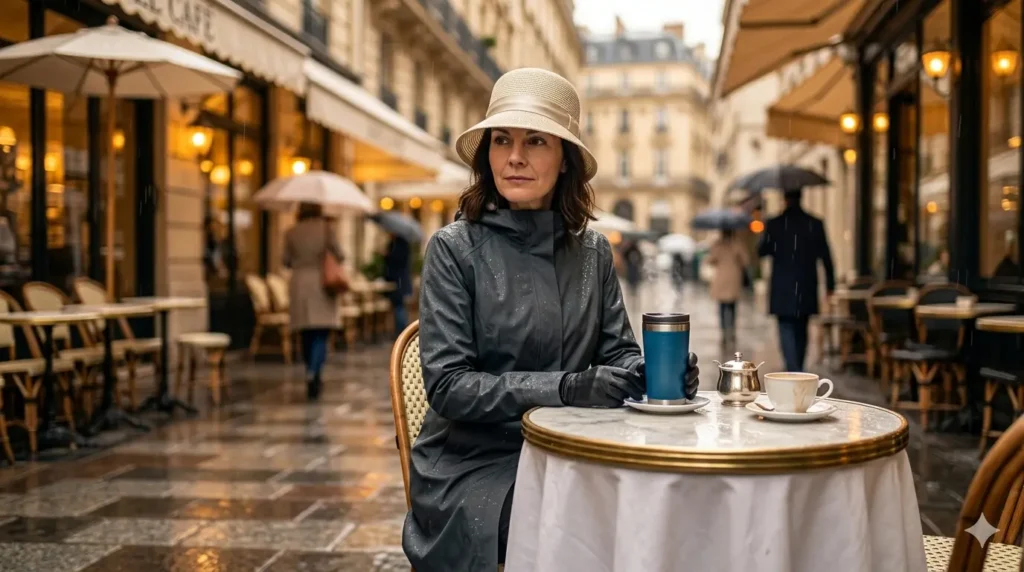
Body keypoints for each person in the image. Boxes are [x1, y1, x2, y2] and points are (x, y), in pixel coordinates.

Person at [402, 67, 701, 572]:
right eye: (502, 140)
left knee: (668, 505)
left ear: (565, 160)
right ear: (487, 154)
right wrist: (568, 387)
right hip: (477, 466)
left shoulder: (593, 252)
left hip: (578, 453)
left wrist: (653, 374)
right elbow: (450, 386)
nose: (514, 156)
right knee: (579, 523)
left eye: (535, 140)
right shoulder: (453, 249)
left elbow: (618, 351)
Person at [757, 189, 835, 372]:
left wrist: (766, 234)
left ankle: (793, 369)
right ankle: (797, 368)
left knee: (786, 329)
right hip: (806, 286)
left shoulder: (775, 224)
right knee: (802, 329)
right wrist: (830, 285)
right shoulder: (814, 223)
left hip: (782, 288)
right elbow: (826, 256)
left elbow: (761, 251)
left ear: (785, 199)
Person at [282, 202, 345, 400]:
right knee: (321, 332)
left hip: (299, 284)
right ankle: (314, 372)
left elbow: (285, 260)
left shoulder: (291, 232)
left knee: (305, 331)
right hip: (322, 283)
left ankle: (309, 368)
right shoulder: (327, 229)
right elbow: (341, 255)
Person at [707, 228, 749, 344]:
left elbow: (710, 260)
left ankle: (725, 332)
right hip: (733, 278)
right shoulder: (737, 244)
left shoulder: (718, 245)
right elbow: (746, 261)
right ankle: (731, 330)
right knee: (732, 307)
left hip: (721, 279)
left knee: (722, 307)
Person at [382, 233, 412, 335]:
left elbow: (399, 261)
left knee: (399, 306)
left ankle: (402, 331)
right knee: (397, 306)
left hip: (399, 282)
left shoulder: (401, 245)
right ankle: (398, 330)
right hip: (393, 281)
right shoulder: (392, 244)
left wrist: (388, 255)